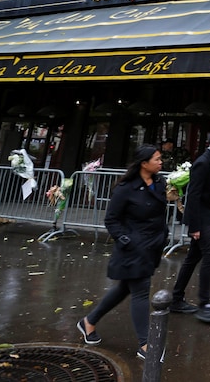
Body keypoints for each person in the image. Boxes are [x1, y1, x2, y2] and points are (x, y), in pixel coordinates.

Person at [77, 145, 168, 360]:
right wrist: (127, 240)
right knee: (141, 291)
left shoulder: (159, 183)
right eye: (156, 159)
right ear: (144, 163)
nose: (160, 162)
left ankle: (88, 322)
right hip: (134, 249)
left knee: (123, 289)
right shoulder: (125, 188)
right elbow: (111, 219)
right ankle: (146, 344)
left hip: (152, 246)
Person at [168, 128, 210, 323]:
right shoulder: (204, 163)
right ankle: (205, 305)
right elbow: (194, 195)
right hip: (200, 218)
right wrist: (193, 226)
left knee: (193, 257)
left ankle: (176, 299)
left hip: (208, 214)